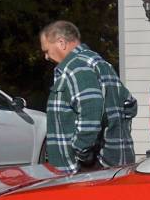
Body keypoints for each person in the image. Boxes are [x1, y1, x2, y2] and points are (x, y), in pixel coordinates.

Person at [39, 20, 136, 173]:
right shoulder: (101, 64)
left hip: (86, 170)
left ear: (61, 43)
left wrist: (82, 154)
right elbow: (130, 104)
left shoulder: (76, 67)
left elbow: (90, 111)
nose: (46, 56)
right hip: (111, 164)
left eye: (46, 50)